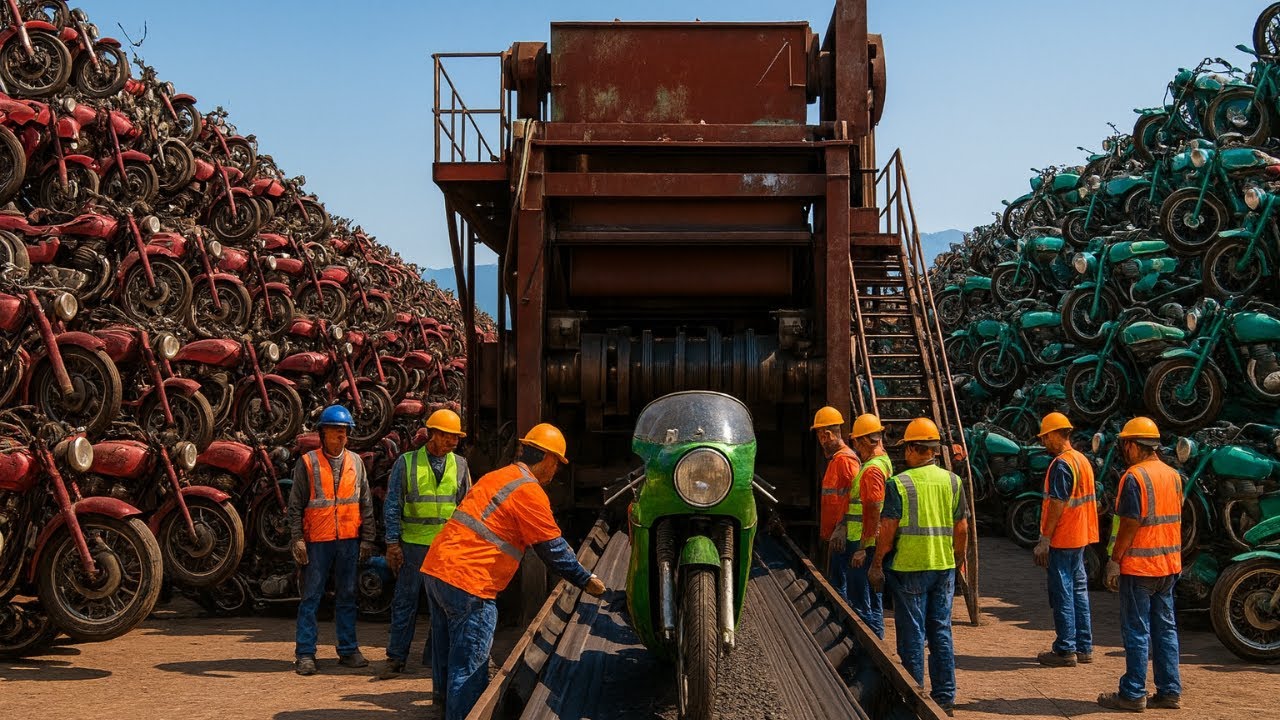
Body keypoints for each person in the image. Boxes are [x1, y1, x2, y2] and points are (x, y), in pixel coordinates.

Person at [421, 423, 607, 720]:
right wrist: (586, 579)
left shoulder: (498, 477)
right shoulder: (529, 491)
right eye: (557, 463)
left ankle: (442, 707)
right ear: (547, 457)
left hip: (437, 569)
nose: (555, 471)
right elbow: (553, 550)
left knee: (446, 651)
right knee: (469, 667)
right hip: (470, 582)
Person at [869, 417, 968, 716]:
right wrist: (957, 560)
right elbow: (961, 528)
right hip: (943, 567)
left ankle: (914, 698)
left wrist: (877, 563)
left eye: (906, 449)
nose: (904, 454)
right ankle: (945, 698)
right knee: (941, 631)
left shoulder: (899, 484)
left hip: (909, 567)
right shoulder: (953, 482)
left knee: (912, 634)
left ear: (914, 448)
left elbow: (888, 529)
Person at [378, 408, 472, 680]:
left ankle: (434, 658)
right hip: (414, 546)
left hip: (446, 548)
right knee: (405, 602)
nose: (453, 442)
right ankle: (396, 658)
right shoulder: (406, 463)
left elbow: (467, 507)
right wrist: (392, 543)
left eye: (456, 437)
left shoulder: (461, 465)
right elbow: (393, 505)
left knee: (442, 606)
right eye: (448, 436)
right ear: (432, 434)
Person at [1097, 417, 1183, 713]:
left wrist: (1114, 561)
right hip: (1168, 566)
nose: (1124, 451)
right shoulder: (1173, 475)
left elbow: (1130, 523)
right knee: (1166, 630)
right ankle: (1169, 691)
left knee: (1137, 631)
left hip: (1140, 568)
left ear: (1133, 445)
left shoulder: (1134, 477)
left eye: (1125, 445)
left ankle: (1133, 693)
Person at [287, 405, 377, 676]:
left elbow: (365, 503)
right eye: (335, 431)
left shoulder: (356, 462)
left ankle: (348, 650)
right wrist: (297, 539)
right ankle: (305, 653)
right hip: (317, 541)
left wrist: (367, 539)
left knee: (347, 596)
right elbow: (295, 506)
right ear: (322, 433)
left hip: (348, 540)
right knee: (311, 597)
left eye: (344, 431)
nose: (340, 436)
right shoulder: (307, 463)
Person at [1031, 412, 1098, 668]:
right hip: (1080, 536)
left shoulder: (1061, 464)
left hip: (1063, 538)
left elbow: (1057, 503)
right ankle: (1084, 647)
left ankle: (1065, 649)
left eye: (1046, 436)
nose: (1044, 442)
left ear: (1058, 434)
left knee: (1063, 593)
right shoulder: (1082, 460)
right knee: (1079, 592)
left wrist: (1045, 539)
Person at [847, 413, 891, 638]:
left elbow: (873, 508)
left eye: (856, 441)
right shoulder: (882, 462)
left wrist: (863, 548)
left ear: (865, 440)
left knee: (865, 604)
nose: (855, 446)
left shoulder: (872, 469)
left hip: (864, 544)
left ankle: (871, 649)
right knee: (871, 600)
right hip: (869, 540)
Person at [812, 406, 861, 600]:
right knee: (838, 587)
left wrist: (843, 527)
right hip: (838, 536)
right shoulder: (836, 460)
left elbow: (858, 498)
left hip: (844, 538)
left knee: (841, 591)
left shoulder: (845, 461)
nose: (820, 441)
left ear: (827, 435)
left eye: (820, 436)